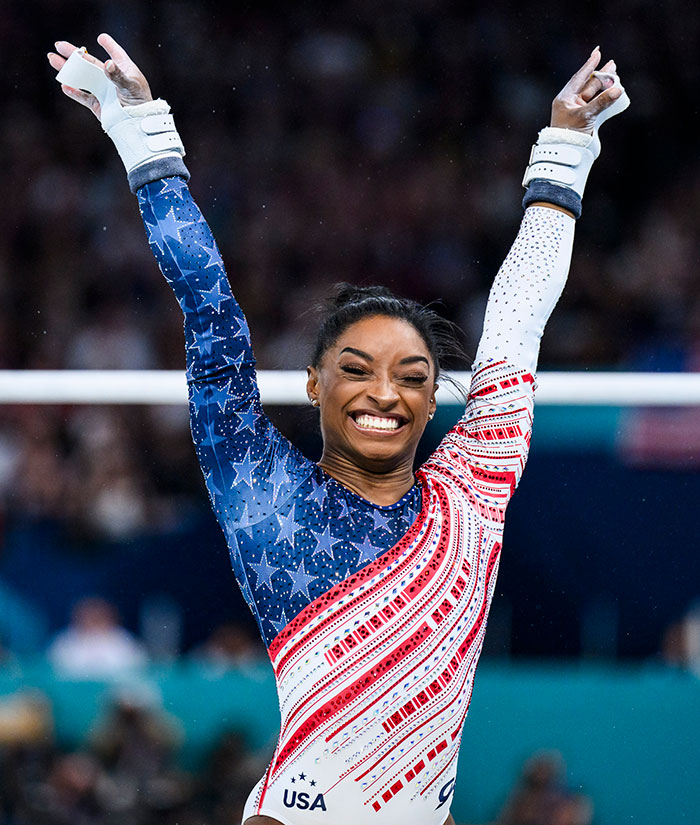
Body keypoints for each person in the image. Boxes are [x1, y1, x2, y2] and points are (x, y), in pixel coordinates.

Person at [47, 33, 628, 825]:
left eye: (413, 377)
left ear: (434, 404)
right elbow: (210, 309)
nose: (384, 392)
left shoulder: (474, 489)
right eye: (356, 368)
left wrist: (565, 149)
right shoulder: (266, 493)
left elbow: (516, 327)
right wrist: (142, 131)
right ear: (314, 385)